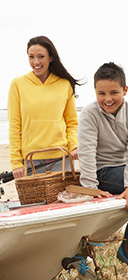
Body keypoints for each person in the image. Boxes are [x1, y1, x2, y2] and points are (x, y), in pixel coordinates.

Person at [8, 36, 80, 179]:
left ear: (51, 57)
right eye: (31, 57)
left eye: (41, 56)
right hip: (31, 159)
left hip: (60, 156)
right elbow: (14, 126)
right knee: (34, 201)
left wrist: (74, 146)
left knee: (61, 200)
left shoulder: (64, 84)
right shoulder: (18, 84)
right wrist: (16, 162)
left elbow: (71, 123)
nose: (36, 62)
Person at [77, 62, 128, 265]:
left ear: (125, 90)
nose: (107, 99)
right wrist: (90, 188)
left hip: (123, 168)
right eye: (101, 93)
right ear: (95, 92)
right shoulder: (90, 113)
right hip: (103, 171)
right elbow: (86, 151)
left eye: (114, 92)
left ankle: (125, 248)